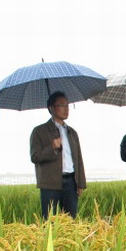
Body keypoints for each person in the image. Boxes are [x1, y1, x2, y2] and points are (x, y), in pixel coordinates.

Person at [30, 91, 86, 219]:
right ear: (51, 108)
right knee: (49, 221)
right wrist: (52, 148)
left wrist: (80, 183)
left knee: (71, 221)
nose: (66, 109)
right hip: (50, 184)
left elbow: (78, 159)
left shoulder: (72, 132)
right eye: (62, 105)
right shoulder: (39, 131)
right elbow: (35, 156)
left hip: (71, 182)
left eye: (67, 105)